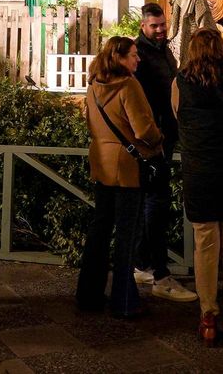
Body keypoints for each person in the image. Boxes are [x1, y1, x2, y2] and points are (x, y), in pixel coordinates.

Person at [172, 29, 223, 349]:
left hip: (201, 175)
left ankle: (208, 317)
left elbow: (179, 119)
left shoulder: (179, 83)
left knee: (205, 248)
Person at [77, 36, 164, 318]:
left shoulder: (94, 85)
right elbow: (143, 129)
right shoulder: (129, 85)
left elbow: (90, 122)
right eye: (133, 55)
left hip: (101, 164)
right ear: (120, 58)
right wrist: (159, 137)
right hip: (127, 167)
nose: (138, 59)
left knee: (99, 231)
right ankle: (124, 300)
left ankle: (88, 294)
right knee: (127, 234)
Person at [132, 3, 196, 303]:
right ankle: (159, 273)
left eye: (162, 25)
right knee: (154, 203)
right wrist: (155, 133)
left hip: (165, 135)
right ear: (143, 26)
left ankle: (142, 263)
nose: (160, 30)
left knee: (153, 200)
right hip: (153, 140)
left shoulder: (163, 50)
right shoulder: (140, 55)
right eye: (154, 26)